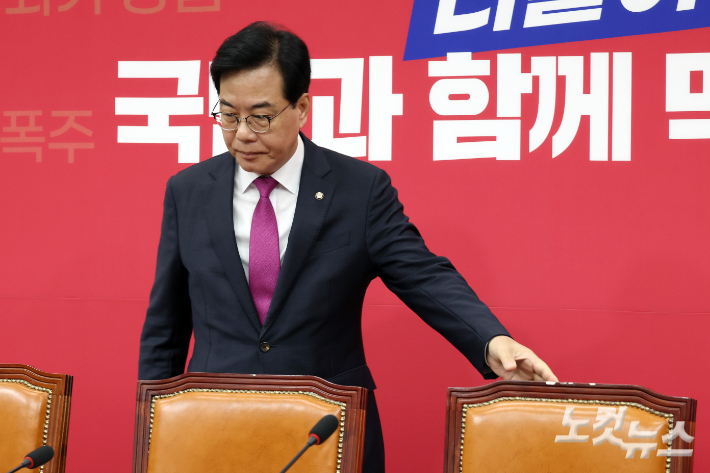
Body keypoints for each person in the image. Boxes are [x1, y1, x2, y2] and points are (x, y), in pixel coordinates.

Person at [138, 21, 557, 473]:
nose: (241, 133)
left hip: (328, 427)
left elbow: (423, 275)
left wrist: (491, 339)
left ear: (301, 108)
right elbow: (166, 326)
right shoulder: (188, 190)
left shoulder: (359, 190)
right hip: (212, 423)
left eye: (260, 116)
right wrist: (155, 429)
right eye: (228, 114)